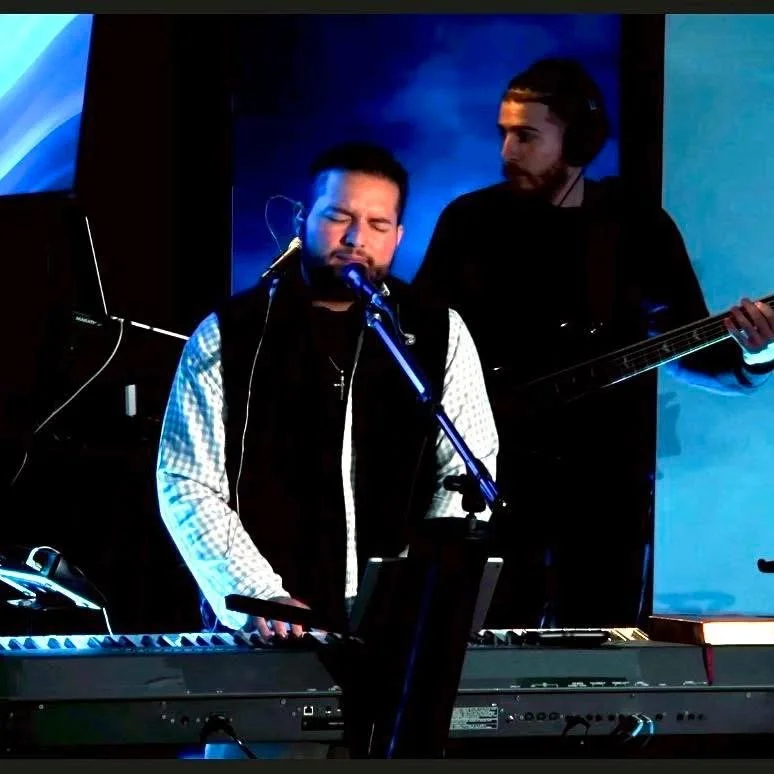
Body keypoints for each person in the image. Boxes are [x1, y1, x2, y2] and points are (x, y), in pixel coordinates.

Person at [156, 141, 499, 758]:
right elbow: (186, 481)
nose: (355, 238)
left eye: (377, 224)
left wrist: (417, 597)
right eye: (338, 217)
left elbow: (466, 473)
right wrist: (260, 592)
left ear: (397, 237)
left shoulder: (437, 331)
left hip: (396, 650)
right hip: (265, 643)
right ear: (302, 222)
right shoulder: (230, 335)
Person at [412, 58, 774, 631]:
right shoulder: (470, 223)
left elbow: (697, 352)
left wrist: (757, 350)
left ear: (578, 141)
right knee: (480, 652)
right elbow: (418, 348)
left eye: (526, 136)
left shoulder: (637, 228)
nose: (508, 151)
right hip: (486, 487)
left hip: (605, 498)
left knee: (600, 654)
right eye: (504, 133)